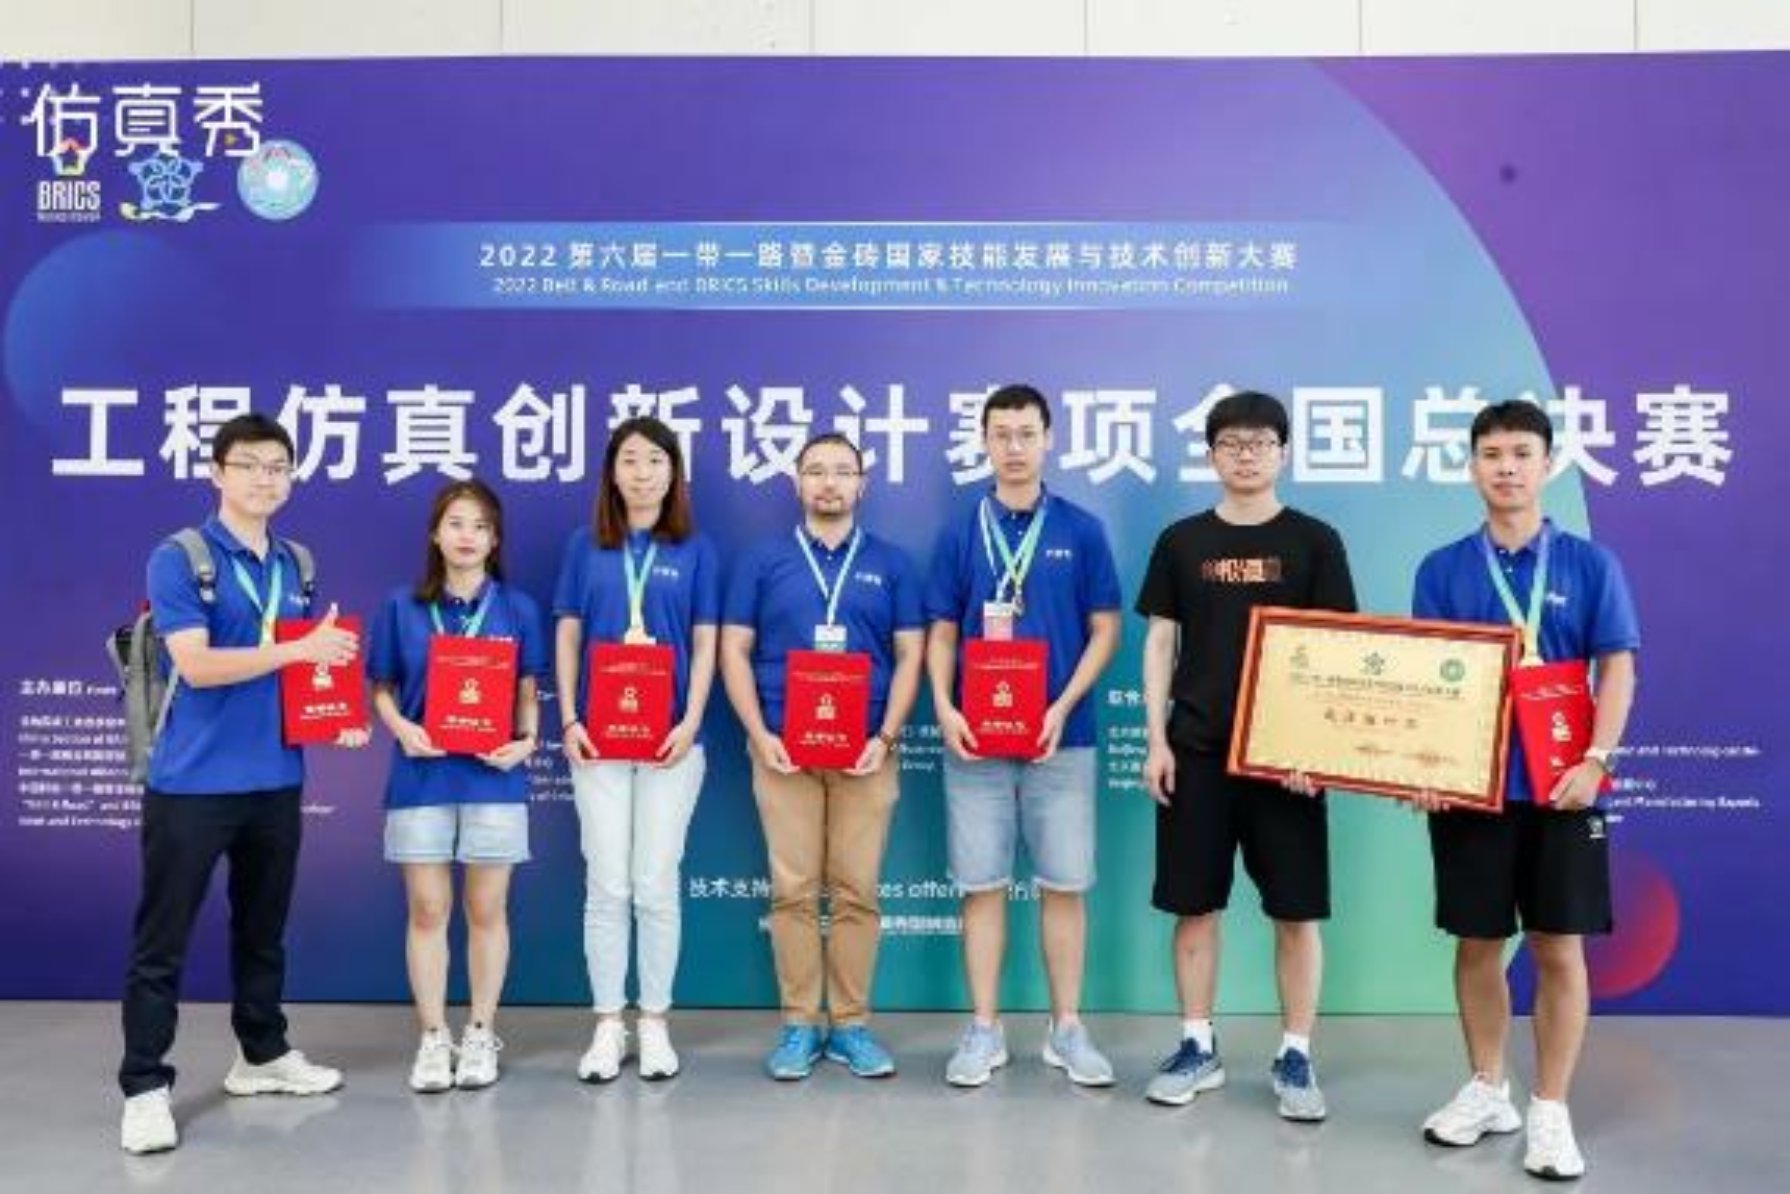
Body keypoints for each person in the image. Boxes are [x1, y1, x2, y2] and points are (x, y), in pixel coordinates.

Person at [119, 412, 367, 1155]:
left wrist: (333, 715)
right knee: (162, 942)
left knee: (262, 931)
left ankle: (261, 1054)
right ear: (216, 472)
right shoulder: (180, 558)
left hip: (276, 778)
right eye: (250, 464)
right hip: (192, 783)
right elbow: (197, 665)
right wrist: (300, 654)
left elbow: (302, 669)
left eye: (278, 466)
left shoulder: (297, 562)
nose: (265, 478)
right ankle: (144, 1087)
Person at [1410, 400, 1639, 1181]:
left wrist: (1597, 762)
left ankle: (1550, 1108)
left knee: (1557, 948)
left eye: (1520, 453)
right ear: (1472, 466)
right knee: (1477, 943)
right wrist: (1426, 766)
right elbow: (1430, 681)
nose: (1506, 468)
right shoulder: (1441, 569)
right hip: (1472, 791)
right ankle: (1486, 1088)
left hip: (1564, 788)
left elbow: (1618, 669)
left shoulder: (1591, 565)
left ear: (1548, 464)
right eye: (1491, 454)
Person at [1134, 390, 1357, 1120]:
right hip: (1197, 751)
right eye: (1231, 444)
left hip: (1287, 762)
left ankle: (1296, 1054)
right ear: (1212, 455)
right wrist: (1157, 739)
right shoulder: (1181, 541)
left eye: (1260, 443)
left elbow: (1337, 650)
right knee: (1194, 907)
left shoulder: (1316, 541)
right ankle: (1196, 1045)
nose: (1246, 455)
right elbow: (1160, 642)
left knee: (1296, 912)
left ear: (1282, 453)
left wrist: (1318, 750)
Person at [925, 384, 1122, 1089]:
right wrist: (944, 707)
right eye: (1001, 434)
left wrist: (1062, 705)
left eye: (1026, 433)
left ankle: (1066, 1028)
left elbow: (1106, 629)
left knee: (1064, 885)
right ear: (984, 441)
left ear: (1048, 439)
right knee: (980, 885)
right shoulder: (960, 532)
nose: (1014, 446)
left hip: (1060, 739)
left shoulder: (1081, 530)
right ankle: (984, 1029)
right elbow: (942, 631)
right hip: (974, 740)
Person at [719, 433, 924, 1080]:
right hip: (783, 749)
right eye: (816, 471)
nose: (829, 482)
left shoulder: (891, 563)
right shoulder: (762, 561)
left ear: (863, 484)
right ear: (797, 482)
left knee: (858, 890)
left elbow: (911, 655)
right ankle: (801, 1025)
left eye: (842, 471)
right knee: (794, 891)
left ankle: (852, 1026)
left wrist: (884, 737)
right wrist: (760, 733)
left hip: (867, 750)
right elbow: (733, 651)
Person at [369, 478, 545, 1093]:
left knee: (486, 909)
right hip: (422, 775)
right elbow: (382, 687)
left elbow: (527, 692)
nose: (467, 536)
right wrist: (402, 729)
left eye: (480, 526)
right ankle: (432, 1036)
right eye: (456, 524)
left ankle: (479, 1032)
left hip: (494, 778)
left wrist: (528, 740)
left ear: (494, 540)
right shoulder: (401, 607)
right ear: (435, 534)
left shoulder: (518, 608)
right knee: (427, 909)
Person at [556, 417, 719, 1082]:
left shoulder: (697, 549)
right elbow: (568, 633)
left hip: (671, 743)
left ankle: (653, 1022)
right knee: (606, 883)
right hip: (597, 739)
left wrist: (691, 720)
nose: (643, 472)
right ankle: (607, 1024)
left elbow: (706, 641)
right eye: (630, 459)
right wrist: (569, 718)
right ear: (612, 472)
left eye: (656, 459)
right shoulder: (584, 545)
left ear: (674, 471)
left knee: (654, 883)